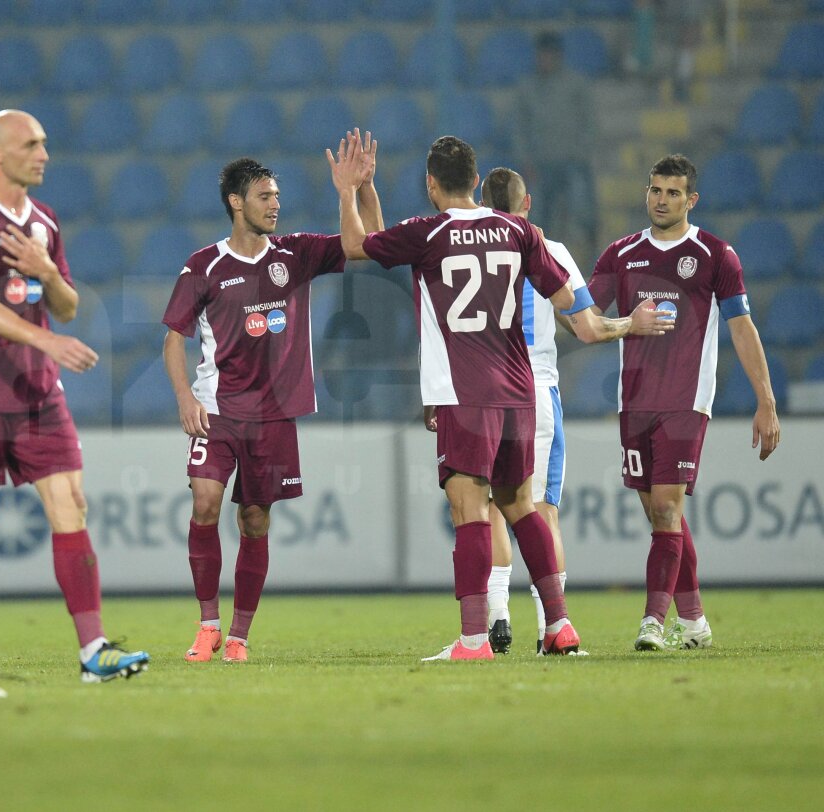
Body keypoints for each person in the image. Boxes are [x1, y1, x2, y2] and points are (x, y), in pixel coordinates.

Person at [329, 133, 586, 661]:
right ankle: (559, 625)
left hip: (463, 393)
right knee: (522, 507)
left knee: (470, 512)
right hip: (520, 391)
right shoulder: (518, 230)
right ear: (476, 181)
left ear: (430, 184)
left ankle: (473, 640)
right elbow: (564, 301)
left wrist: (347, 191)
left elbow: (358, 245)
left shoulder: (428, 234)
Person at [0, 110, 148, 684]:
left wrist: (46, 271)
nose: (44, 154)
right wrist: (48, 341)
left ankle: (93, 651)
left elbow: (69, 304)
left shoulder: (46, 221)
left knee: (70, 503)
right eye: (32, 144)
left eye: (46, 144)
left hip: (37, 394)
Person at [162, 140, 382, 664]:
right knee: (204, 503)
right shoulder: (204, 266)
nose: (275, 204)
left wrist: (360, 187)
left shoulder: (295, 254)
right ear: (237, 203)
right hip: (217, 410)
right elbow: (174, 337)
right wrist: (184, 397)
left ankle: (238, 637)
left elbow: (369, 242)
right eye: (264, 196)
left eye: (277, 195)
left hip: (275, 417)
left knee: (255, 519)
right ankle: (207, 625)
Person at [586, 154, 780, 651]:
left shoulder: (715, 255)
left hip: (685, 401)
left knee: (668, 509)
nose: (661, 200)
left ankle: (652, 621)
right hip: (634, 403)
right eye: (655, 190)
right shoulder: (621, 253)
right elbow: (586, 321)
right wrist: (630, 323)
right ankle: (694, 623)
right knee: (660, 515)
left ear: (691, 200)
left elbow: (741, 327)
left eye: (673, 193)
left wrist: (767, 401)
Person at [478, 167, 674, 654]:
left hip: (477, 389)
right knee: (542, 511)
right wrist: (632, 322)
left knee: (488, 508)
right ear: (527, 206)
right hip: (535, 389)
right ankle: (553, 627)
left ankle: (495, 617)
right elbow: (586, 327)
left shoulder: (468, 249)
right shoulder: (551, 251)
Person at [514, 31, 598, 259]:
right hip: (540, 164)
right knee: (539, 215)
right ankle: (543, 262)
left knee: (583, 212)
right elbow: (519, 128)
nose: (545, 60)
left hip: (573, 162)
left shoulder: (576, 84)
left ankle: (591, 259)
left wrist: (581, 154)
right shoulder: (527, 87)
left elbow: (589, 122)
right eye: (542, 55)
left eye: (549, 55)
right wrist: (526, 160)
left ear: (558, 56)